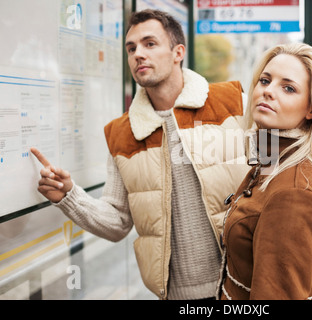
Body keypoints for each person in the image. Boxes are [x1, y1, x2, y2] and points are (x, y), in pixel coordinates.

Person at [30, 9, 249, 300]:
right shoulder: (122, 133)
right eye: (131, 48)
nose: (138, 54)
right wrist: (70, 196)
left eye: (150, 44)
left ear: (178, 52)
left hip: (244, 286)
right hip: (175, 295)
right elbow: (118, 220)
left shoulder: (234, 103)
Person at [216, 43, 312, 300]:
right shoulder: (272, 161)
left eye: (288, 88)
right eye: (265, 80)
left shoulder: (294, 192)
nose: (268, 91)